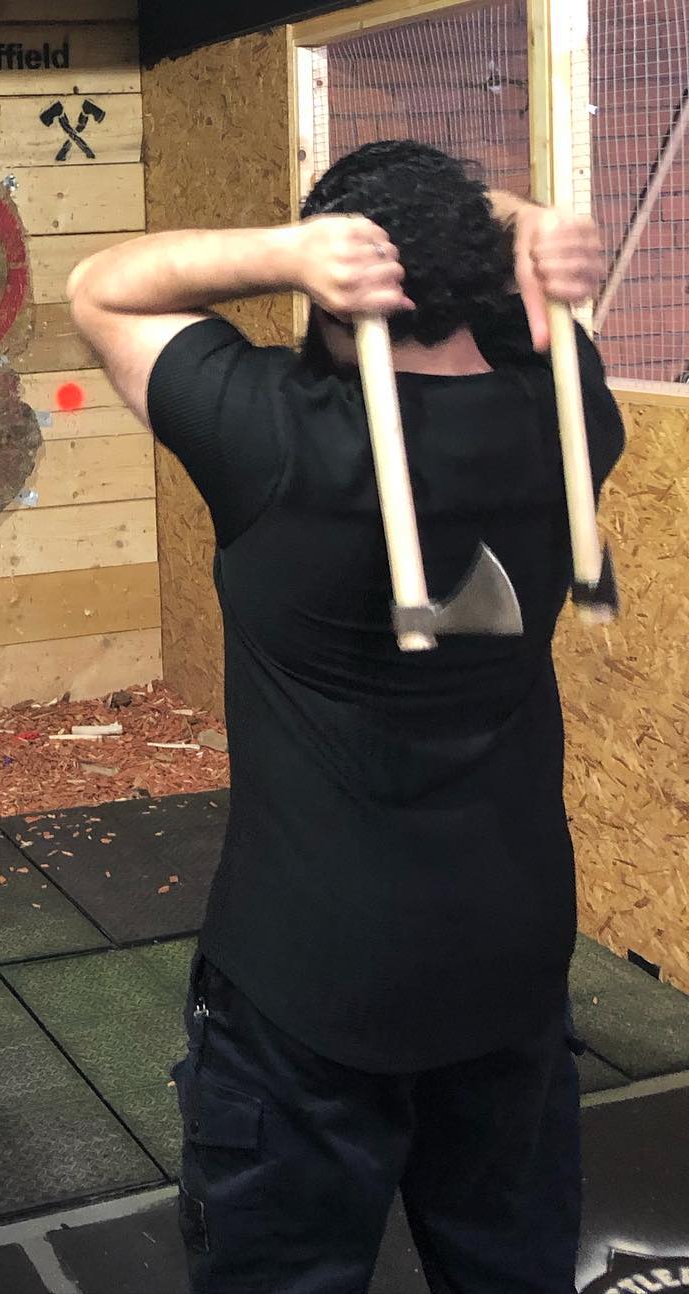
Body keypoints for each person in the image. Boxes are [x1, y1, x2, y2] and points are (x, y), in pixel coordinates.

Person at [65, 140, 624, 1292]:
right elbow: (514, 283)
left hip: (309, 987)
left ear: (333, 288)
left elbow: (99, 288)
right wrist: (514, 224)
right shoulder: (567, 415)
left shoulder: (275, 437)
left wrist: (284, 252)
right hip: (510, 961)